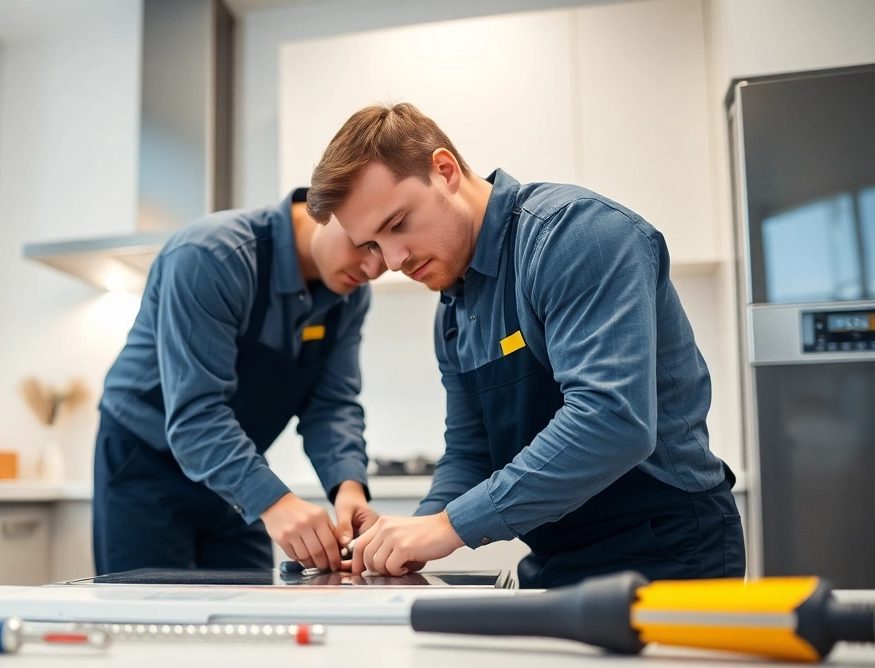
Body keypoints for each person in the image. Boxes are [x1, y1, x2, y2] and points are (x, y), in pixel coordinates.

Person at [306, 103, 745, 587]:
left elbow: (612, 421)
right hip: (557, 559)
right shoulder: (454, 307)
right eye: (372, 244)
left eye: (397, 224)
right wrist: (406, 534)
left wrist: (447, 527)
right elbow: (472, 452)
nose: (392, 259)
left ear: (445, 170)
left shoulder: (575, 236)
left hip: (667, 551)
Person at [94, 189, 386, 574]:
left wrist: (348, 487)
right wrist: (274, 502)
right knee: (148, 622)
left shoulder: (350, 296)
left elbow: (331, 404)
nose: (373, 268)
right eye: (365, 244)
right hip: (145, 465)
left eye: (387, 251)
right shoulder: (210, 256)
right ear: (325, 207)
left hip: (234, 468)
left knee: (251, 617)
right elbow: (196, 413)